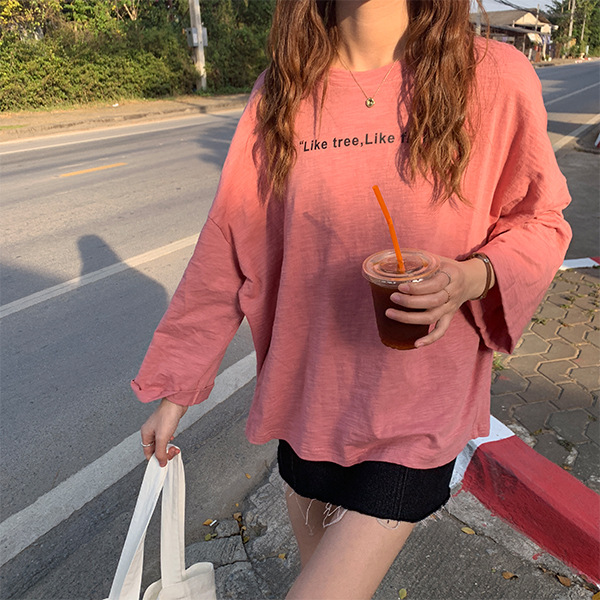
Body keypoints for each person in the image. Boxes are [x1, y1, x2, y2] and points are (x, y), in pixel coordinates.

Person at [131, 0, 572, 598]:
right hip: (309, 404)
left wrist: (471, 278)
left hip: (418, 413)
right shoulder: (281, 92)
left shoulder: (492, 75)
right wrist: (176, 390)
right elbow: (227, 247)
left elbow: (541, 219)